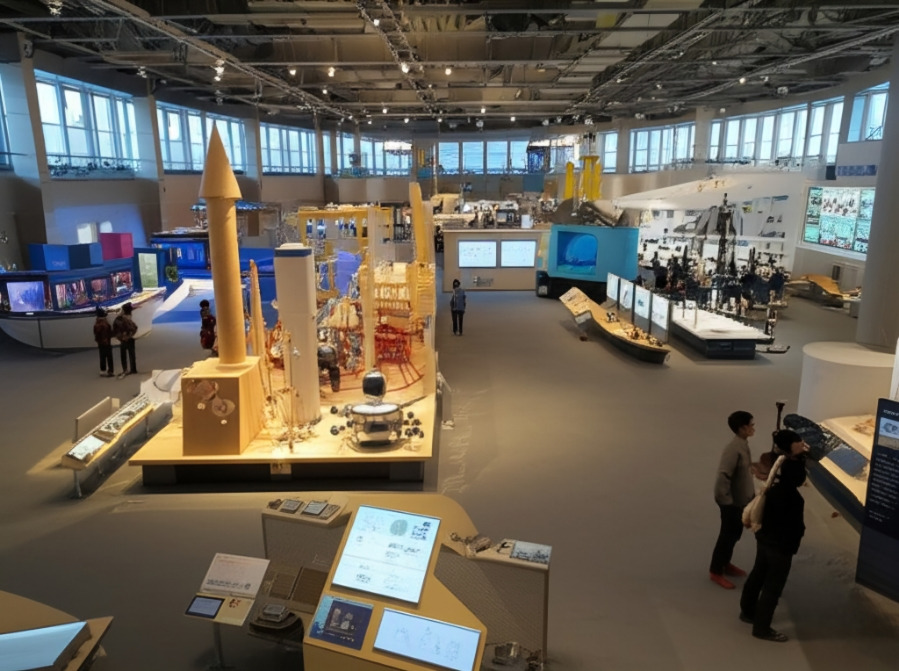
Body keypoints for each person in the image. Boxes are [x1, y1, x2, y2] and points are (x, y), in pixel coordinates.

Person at [740, 429, 809, 642]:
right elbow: (798, 477)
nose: (802, 443)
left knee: (759, 572)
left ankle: (747, 611)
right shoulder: (788, 491)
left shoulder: (775, 473)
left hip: (765, 535)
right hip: (780, 542)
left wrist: (798, 456)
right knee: (773, 585)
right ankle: (762, 628)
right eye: (798, 442)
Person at [709, 410, 756, 589]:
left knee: (734, 534)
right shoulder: (733, 449)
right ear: (742, 428)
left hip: (739, 501)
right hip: (731, 503)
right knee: (727, 536)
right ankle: (716, 570)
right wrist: (726, 501)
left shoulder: (742, 445)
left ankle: (725, 563)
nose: (753, 428)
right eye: (751, 425)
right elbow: (723, 476)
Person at [113, 302, 138, 377]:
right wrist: (130, 335)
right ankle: (133, 369)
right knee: (132, 354)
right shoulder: (128, 319)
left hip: (123, 339)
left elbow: (115, 328)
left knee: (123, 355)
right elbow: (135, 328)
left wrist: (121, 337)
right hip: (129, 338)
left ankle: (125, 369)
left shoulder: (119, 319)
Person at [93, 307, 115, 378]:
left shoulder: (96, 324)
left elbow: (95, 333)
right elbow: (110, 333)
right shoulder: (106, 324)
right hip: (107, 342)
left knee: (102, 356)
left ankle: (102, 370)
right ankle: (110, 371)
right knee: (109, 356)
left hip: (100, 343)